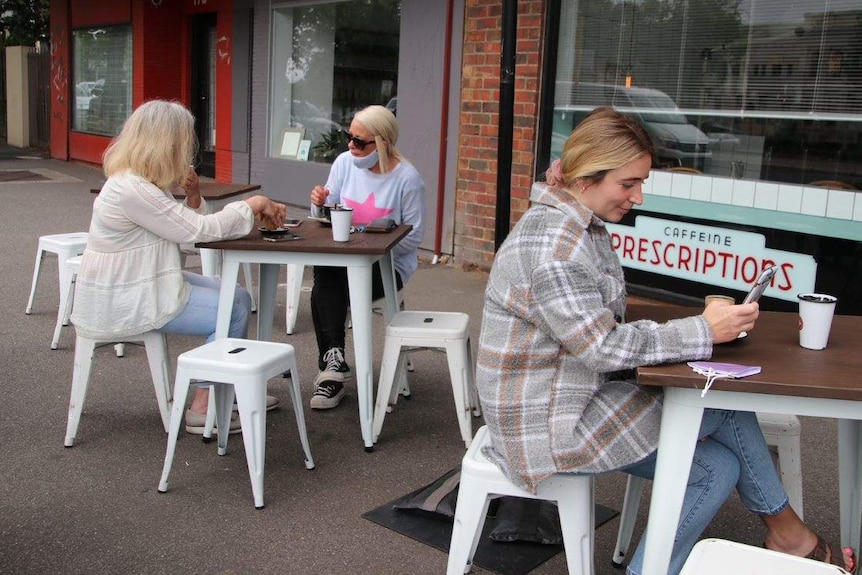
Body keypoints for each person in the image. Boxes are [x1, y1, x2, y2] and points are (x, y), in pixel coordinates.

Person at [474, 106, 855, 575]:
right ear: (588, 176)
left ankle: (671, 563)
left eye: (641, 183)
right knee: (719, 402)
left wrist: (694, 330)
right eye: (629, 183)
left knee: (717, 467)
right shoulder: (556, 248)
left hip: (564, 398)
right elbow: (603, 348)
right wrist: (702, 331)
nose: (638, 196)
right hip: (545, 426)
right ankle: (790, 533)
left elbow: (592, 328)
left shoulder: (573, 221)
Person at [71, 99, 287, 435]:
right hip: (129, 294)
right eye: (183, 141)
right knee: (230, 307)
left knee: (240, 297)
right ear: (166, 143)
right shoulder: (134, 189)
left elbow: (186, 236)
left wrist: (194, 195)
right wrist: (252, 205)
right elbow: (198, 233)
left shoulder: (136, 183)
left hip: (138, 280)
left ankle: (225, 389)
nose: (187, 150)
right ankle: (204, 406)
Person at [307, 104, 425, 409]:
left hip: (387, 268)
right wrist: (320, 204)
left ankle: (331, 372)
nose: (350, 145)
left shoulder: (407, 178)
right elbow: (326, 213)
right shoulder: (345, 163)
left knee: (329, 283)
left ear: (383, 143)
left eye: (359, 142)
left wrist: (366, 243)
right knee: (327, 269)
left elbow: (413, 237)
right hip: (344, 262)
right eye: (349, 137)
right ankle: (334, 362)